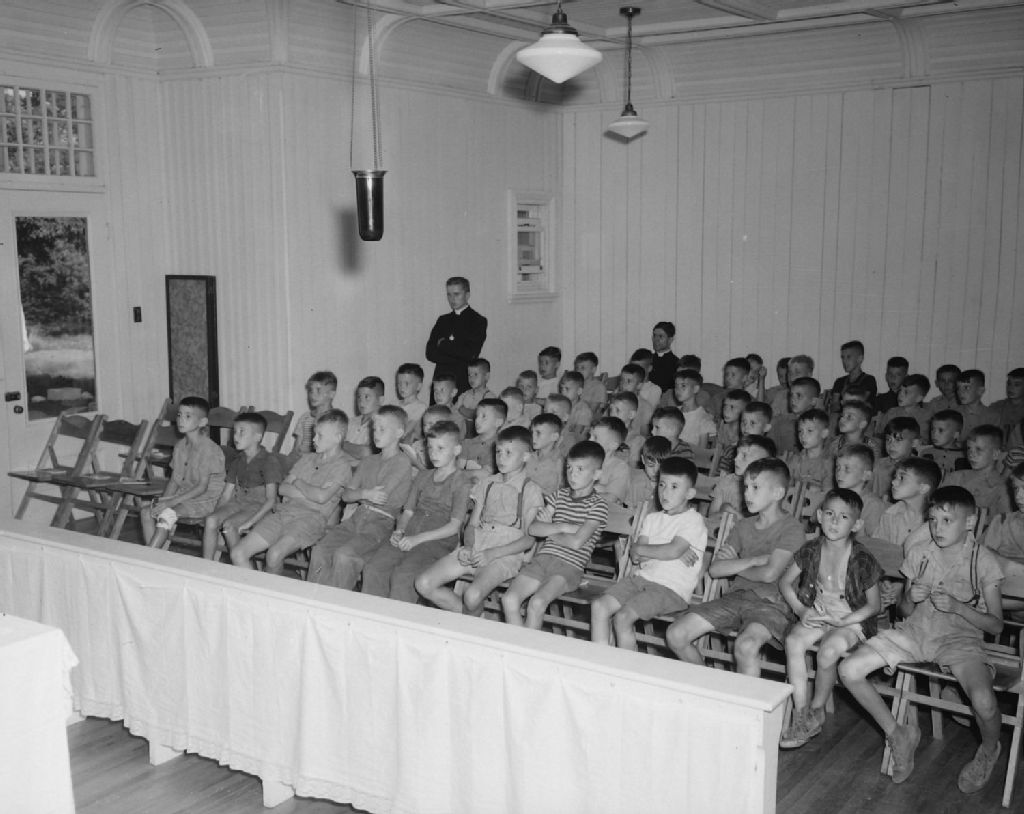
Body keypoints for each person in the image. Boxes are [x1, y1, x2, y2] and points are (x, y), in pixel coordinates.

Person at [838, 486, 1005, 793]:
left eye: (947, 520)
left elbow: (996, 625)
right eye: (933, 520)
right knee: (848, 670)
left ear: (969, 523)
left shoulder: (983, 561)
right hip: (915, 634)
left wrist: (958, 607)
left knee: (984, 702)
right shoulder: (919, 554)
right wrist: (909, 598)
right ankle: (898, 733)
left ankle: (989, 748)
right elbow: (904, 610)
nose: (937, 528)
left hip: (959, 640)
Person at [665, 457, 804, 676]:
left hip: (772, 604)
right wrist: (752, 561)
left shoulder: (792, 529)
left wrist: (735, 564)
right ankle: (710, 686)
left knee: (746, 646)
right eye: (746, 487)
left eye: (755, 488)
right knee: (676, 634)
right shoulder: (743, 525)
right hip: (735, 597)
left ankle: (747, 699)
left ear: (777, 493)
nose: (747, 494)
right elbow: (715, 569)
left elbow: (769, 574)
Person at [778, 489, 883, 749]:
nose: (834, 521)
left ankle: (816, 709)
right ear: (819, 516)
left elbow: (874, 606)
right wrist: (801, 610)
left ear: (856, 524)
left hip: (852, 620)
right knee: (793, 642)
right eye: (829, 514)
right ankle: (801, 713)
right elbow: (785, 583)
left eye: (844, 517)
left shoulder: (862, 558)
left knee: (828, 651)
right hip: (819, 611)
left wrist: (845, 621)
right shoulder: (811, 549)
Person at [416, 426, 544, 616]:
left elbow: (529, 540)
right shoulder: (487, 483)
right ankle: (474, 618)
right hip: (477, 545)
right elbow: (472, 525)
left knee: (472, 595)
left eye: (509, 453)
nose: (501, 458)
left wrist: (492, 553)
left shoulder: (530, 490)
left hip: (504, 554)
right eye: (498, 451)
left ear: (525, 456)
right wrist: (468, 546)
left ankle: (471, 619)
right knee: (423, 583)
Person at [591, 457, 708, 650]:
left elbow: (671, 550)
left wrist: (667, 550)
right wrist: (667, 550)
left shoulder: (693, 520)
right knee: (599, 607)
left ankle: (626, 666)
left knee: (622, 617)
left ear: (690, 493)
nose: (665, 492)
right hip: (641, 579)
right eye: (662, 484)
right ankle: (599, 659)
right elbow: (636, 554)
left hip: (670, 589)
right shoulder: (652, 519)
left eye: (674, 487)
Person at [360, 421, 473, 603]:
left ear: (457, 450)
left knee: (403, 576)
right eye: (430, 448)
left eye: (440, 448)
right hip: (409, 534)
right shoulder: (423, 476)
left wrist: (417, 539)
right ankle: (372, 616)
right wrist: (399, 531)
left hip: (436, 542)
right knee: (373, 568)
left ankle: (397, 620)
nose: (433, 454)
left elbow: (454, 527)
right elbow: (407, 512)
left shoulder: (461, 482)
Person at [231, 409, 354, 574]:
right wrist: (310, 495)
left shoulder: (342, 466)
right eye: (314, 434)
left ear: (337, 438)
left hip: (310, 520)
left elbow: (321, 497)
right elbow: (282, 489)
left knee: (274, 555)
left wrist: (297, 482)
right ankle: (259, 588)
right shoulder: (307, 459)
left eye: (320, 435)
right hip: (283, 513)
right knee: (238, 553)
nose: (313, 439)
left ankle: (270, 590)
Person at [501, 441, 609, 629]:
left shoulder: (598, 506)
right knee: (509, 599)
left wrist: (549, 528)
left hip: (569, 567)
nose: (572, 474)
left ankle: (526, 647)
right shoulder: (559, 495)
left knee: (537, 603)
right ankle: (521, 644)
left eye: (580, 469)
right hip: (542, 560)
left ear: (596, 475)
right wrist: (563, 526)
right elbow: (533, 529)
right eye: (569, 468)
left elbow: (576, 543)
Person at [307, 406, 414, 590]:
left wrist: (360, 493)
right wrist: (365, 493)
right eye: (374, 429)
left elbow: (381, 495)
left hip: (381, 524)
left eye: (382, 429)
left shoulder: (402, 461)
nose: (376, 433)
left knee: (344, 555)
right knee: (320, 549)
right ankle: (312, 599)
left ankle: (335, 603)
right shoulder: (368, 461)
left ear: (399, 433)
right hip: (356, 518)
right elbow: (346, 496)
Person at [141, 396, 226, 549]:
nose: (181, 420)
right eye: (179, 415)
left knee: (167, 515)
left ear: (202, 422)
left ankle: (149, 556)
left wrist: (170, 503)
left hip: (206, 500)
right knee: (146, 512)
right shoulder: (180, 446)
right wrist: (163, 501)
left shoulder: (209, 450)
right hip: (184, 496)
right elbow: (174, 480)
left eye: (188, 416)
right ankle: (156, 557)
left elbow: (202, 488)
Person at [201, 412, 283, 560]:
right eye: (235, 432)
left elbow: (271, 500)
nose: (236, 436)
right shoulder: (237, 460)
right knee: (211, 520)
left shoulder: (268, 461)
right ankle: (206, 565)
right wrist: (216, 514)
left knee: (229, 525)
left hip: (260, 507)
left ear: (258, 437)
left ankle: (240, 566)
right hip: (238, 503)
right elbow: (226, 495)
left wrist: (250, 522)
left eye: (242, 432)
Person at [424, 276, 487, 396]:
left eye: (457, 294)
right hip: (440, 379)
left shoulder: (478, 321)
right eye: (449, 295)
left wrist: (443, 345)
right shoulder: (443, 320)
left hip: (462, 380)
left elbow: (470, 354)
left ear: (467, 295)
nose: (452, 299)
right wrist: (457, 354)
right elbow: (430, 353)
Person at [942, 425, 1012, 516]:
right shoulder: (955, 478)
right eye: (969, 448)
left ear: (995, 454)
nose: (971, 454)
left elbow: (1005, 520)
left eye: (979, 449)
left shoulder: (1002, 488)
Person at [876, 457, 942, 548]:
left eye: (902, 478)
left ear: (923, 488)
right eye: (895, 477)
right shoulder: (890, 515)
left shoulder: (936, 522)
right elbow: (877, 547)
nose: (893, 482)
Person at [708, 435, 775, 518]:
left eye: (744, 456)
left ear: (761, 464)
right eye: (737, 454)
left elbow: (765, 522)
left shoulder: (767, 490)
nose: (735, 459)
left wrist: (736, 515)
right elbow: (711, 516)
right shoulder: (726, 482)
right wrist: (723, 513)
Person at [832, 444, 886, 536]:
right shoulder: (835, 498)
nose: (839, 473)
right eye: (838, 467)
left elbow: (876, 541)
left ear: (866, 476)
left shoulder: (873, 505)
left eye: (847, 469)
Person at [287, 371, 337, 467]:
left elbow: (330, 453)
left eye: (318, 390)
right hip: (300, 462)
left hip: (318, 464)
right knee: (273, 459)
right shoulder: (305, 417)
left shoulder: (335, 420)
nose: (313, 395)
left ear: (331, 394)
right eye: (310, 390)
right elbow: (296, 449)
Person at [872, 416, 920, 499]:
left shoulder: (919, 469)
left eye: (898, 440)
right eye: (888, 439)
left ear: (914, 443)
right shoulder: (877, 465)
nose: (891, 445)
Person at [786, 408, 833, 491]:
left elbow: (828, 493)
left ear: (824, 433)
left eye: (809, 431)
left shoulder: (829, 463)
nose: (803, 436)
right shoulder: (795, 460)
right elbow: (787, 488)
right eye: (800, 431)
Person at [589, 416, 631, 506]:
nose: (589, 440)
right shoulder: (585, 461)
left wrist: (585, 493)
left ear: (613, 445)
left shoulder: (620, 467)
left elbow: (611, 498)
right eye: (590, 436)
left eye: (595, 438)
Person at [830, 341, 878, 413]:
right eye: (842, 357)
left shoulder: (869, 380)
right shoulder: (839, 381)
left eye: (848, 357)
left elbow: (859, 403)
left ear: (860, 359)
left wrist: (843, 399)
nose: (844, 361)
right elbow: (834, 406)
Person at [344, 376, 385, 460]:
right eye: (359, 397)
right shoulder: (350, 422)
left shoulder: (383, 425)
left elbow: (366, 453)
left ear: (380, 400)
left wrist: (340, 443)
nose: (361, 402)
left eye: (367, 397)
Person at [524, 412, 564, 495]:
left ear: (554, 437)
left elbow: (558, 491)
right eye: (532, 432)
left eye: (538, 433)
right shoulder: (529, 456)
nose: (533, 437)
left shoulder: (558, 462)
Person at [955, 369, 1001, 438]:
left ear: (980, 391)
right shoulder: (954, 414)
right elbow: (952, 438)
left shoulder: (992, 416)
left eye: (966, 387)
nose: (961, 392)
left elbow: (994, 440)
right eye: (958, 388)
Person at [455, 358, 495, 427]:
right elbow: (454, 411)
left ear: (486, 376)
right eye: (469, 375)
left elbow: (476, 415)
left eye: (475, 374)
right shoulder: (465, 394)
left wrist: (462, 409)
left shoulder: (489, 397)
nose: (471, 378)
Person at [394, 362, 428, 440]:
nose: (402, 387)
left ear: (418, 386)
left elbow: (405, 432)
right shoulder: (395, 404)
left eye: (406, 383)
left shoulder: (421, 407)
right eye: (399, 383)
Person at [558, 371, 593, 438]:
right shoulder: (562, 406)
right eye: (561, 388)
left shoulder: (583, 411)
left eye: (567, 389)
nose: (563, 392)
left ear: (579, 391)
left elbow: (578, 437)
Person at [649, 321, 679, 393]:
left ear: (670, 340)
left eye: (660, 336)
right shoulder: (647, 360)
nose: (656, 340)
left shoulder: (676, 363)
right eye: (654, 336)